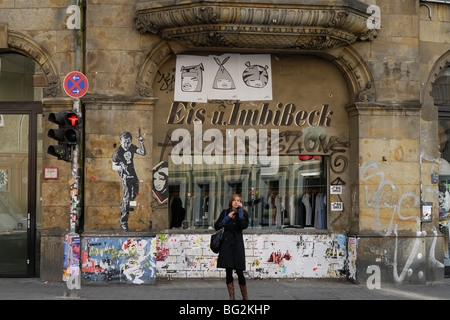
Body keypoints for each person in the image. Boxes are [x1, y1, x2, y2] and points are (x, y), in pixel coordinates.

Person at [214, 194, 249, 300]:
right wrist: (227, 218)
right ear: (231, 202)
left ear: (240, 203)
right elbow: (217, 226)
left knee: (239, 272)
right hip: (226, 245)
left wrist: (240, 213)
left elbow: (244, 226)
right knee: (228, 271)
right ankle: (232, 297)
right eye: (234, 200)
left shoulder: (243, 213)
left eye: (238, 200)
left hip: (237, 245)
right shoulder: (225, 212)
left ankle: (245, 298)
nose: (236, 202)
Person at [112, 131, 146, 231]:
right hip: (125, 176)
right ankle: (123, 221)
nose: (127, 145)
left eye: (129, 142)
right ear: (120, 142)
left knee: (135, 192)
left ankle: (125, 206)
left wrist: (142, 143)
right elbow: (114, 166)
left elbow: (143, 152)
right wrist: (121, 167)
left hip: (133, 173)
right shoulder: (117, 153)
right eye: (125, 142)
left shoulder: (132, 147)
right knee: (127, 196)